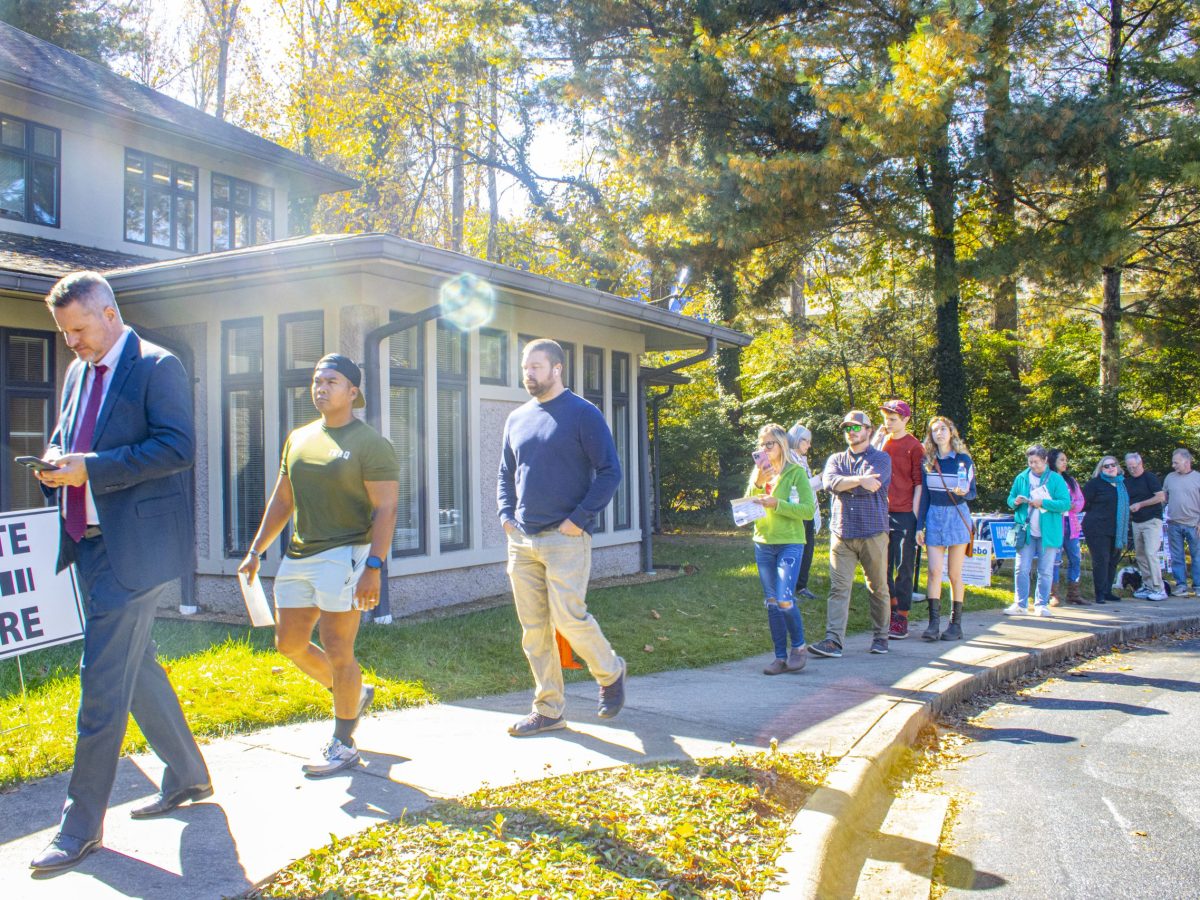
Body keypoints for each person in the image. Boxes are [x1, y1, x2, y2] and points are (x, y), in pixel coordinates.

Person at [28, 272, 211, 873]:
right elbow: (71, 436)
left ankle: (80, 826)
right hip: (88, 542)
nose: (71, 343)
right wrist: (57, 461)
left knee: (101, 681)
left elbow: (177, 447)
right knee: (131, 662)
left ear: (108, 313)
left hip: (137, 548)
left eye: (77, 330)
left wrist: (93, 468)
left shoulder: (159, 366)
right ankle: (187, 773)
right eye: (64, 333)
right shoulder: (81, 371)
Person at [238, 353, 399, 776]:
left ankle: (344, 742)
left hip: (346, 555)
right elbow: (283, 498)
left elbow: (387, 508)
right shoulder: (299, 438)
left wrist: (375, 567)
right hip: (299, 553)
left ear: (353, 391)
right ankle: (351, 694)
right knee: (288, 643)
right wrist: (256, 550)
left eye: (331, 381)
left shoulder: (370, 444)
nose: (321, 388)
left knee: (338, 648)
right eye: (316, 381)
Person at [498, 339, 626, 736]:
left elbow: (610, 471)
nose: (529, 373)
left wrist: (579, 519)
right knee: (534, 629)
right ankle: (549, 709)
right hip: (522, 540)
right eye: (525, 367)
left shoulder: (582, 414)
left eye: (537, 366)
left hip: (565, 538)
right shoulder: (517, 418)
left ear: (557, 369)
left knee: (568, 619)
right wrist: (505, 515)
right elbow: (506, 473)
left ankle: (610, 672)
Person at [808, 410, 893, 658]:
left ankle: (881, 637)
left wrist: (846, 485)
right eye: (847, 428)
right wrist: (858, 481)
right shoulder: (836, 459)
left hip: (873, 532)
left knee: (877, 586)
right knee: (839, 588)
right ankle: (833, 641)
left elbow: (873, 484)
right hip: (842, 532)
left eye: (857, 427)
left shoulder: (881, 458)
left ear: (869, 430)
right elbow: (829, 484)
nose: (852, 432)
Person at [749, 423, 817, 674]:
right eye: (761, 444)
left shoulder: (796, 473)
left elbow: (808, 510)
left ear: (782, 445)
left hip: (790, 542)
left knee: (785, 599)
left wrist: (778, 504)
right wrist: (756, 484)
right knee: (772, 602)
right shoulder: (759, 472)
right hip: (764, 543)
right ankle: (779, 657)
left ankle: (798, 648)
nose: (764, 449)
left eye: (769, 444)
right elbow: (747, 507)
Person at [915, 417, 976, 641]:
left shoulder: (963, 460)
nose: (939, 433)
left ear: (951, 432)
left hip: (957, 515)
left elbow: (972, 492)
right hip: (934, 516)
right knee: (933, 571)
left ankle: (955, 623)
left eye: (943, 429)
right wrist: (919, 525)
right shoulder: (928, 461)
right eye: (934, 431)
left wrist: (963, 493)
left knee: (954, 573)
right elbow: (925, 497)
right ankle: (933, 623)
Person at [874, 399, 924, 639]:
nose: (888, 423)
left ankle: (902, 615)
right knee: (881, 562)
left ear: (905, 419)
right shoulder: (882, 443)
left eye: (893, 419)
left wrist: (916, 518)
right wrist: (877, 438)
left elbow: (918, 482)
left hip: (905, 512)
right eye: (886, 419)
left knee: (904, 565)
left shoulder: (914, 446)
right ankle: (891, 607)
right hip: (881, 511)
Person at [1005, 445, 1070, 617]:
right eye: (1030, 462)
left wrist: (1044, 503)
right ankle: (1020, 604)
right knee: (1021, 568)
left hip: (1048, 532)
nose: (1033, 465)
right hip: (1026, 531)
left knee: (1045, 569)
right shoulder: (1022, 477)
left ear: (1045, 460)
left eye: (1037, 462)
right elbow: (1010, 499)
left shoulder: (1055, 479)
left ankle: (1041, 604)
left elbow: (1065, 503)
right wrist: (1015, 502)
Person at [1081, 455, 1129, 605]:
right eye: (1106, 466)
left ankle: (1108, 591)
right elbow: (1084, 504)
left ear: (1118, 466)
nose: (1110, 468)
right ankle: (1100, 593)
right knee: (1101, 560)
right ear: (1101, 469)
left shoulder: (1122, 485)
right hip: (1097, 527)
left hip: (1116, 529)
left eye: (1112, 465)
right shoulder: (1095, 484)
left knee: (1113, 561)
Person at [786, 422, 824, 601]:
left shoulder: (802, 460)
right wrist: (822, 478)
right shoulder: (789, 459)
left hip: (807, 510)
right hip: (796, 510)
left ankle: (801, 586)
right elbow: (800, 487)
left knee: (808, 549)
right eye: (806, 441)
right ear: (796, 440)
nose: (809, 445)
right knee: (797, 550)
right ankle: (790, 587)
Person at [1124, 452, 1167, 600]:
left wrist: (1141, 504)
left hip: (1152, 520)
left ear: (1140, 463)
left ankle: (1159, 588)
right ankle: (1148, 586)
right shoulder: (1128, 482)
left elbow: (1161, 497)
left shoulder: (1150, 477)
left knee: (1150, 553)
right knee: (1141, 555)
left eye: (1134, 467)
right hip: (1137, 521)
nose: (1132, 470)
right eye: (1129, 468)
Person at [1047, 449, 1087, 605]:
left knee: (1075, 557)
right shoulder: (1048, 479)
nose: (1065, 462)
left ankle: (1074, 593)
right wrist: (1060, 505)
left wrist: (1071, 506)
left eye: (1066, 460)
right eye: (1061, 460)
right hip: (1055, 524)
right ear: (1053, 461)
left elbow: (1080, 500)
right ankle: (1053, 594)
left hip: (1071, 525)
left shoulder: (1070, 481)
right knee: (1055, 559)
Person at [1163, 449, 1200, 597]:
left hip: (1194, 524)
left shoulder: (1197, 478)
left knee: (1197, 556)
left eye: (1176, 462)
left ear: (1186, 461)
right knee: (1177, 556)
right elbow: (1163, 497)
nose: (1173, 465)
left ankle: (1198, 586)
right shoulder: (1170, 478)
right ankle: (1181, 585)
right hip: (1174, 523)